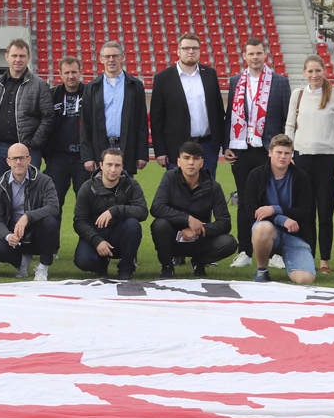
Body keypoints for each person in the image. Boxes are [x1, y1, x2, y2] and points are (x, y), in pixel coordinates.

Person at [223, 37, 292, 268]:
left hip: (269, 151)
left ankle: (275, 252)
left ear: (265, 55)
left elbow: (287, 119)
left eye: (259, 53)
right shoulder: (236, 81)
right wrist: (227, 145)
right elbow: (229, 116)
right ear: (244, 56)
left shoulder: (280, 82)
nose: (255, 57)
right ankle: (245, 251)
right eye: (251, 53)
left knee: (273, 200)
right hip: (242, 150)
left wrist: (286, 152)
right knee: (244, 201)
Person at [288, 54, 334, 273]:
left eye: (318, 70)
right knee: (306, 212)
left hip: (327, 160)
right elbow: (289, 125)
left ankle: (324, 261)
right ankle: (307, 257)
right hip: (302, 158)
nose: (314, 75)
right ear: (304, 73)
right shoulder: (298, 94)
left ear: (324, 71)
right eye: (310, 71)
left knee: (325, 212)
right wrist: (289, 152)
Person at [150, 141, 237, 278]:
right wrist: (188, 220)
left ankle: (199, 262)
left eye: (195, 159)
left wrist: (199, 230)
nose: (191, 162)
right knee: (159, 225)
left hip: (200, 239)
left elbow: (225, 223)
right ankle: (167, 266)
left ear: (201, 163)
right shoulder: (170, 178)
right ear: (179, 162)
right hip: (174, 237)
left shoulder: (213, 186)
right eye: (186, 158)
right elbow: (156, 207)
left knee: (229, 243)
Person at [150, 33, 225, 183]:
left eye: (195, 48)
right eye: (186, 48)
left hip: (207, 147)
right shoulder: (163, 78)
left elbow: (218, 111)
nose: (191, 51)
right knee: (178, 191)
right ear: (178, 51)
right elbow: (157, 118)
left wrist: (219, 144)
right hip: (176, 148)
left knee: (207, 189)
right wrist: (160, 151)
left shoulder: (210, 74)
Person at [0, 38, 55, 184]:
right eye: (14, 55)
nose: (18, 59)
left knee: (29, 191)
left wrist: (32, 143)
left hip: (27, 150)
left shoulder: (40, 85)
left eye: (22, 56)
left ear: (28, 58)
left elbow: (48, 117)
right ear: (7, 57)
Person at [247, 135, 318, 285]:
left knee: (305, 280)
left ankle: (292, 260)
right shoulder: (256, 175)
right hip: (268, 230)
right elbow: (251, 210)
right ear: (270, 152)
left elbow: (306, 212)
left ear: (292, 155)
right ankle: (262, 271)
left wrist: (274, 209)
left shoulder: (301, 177)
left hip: (295, 235)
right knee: (262, 228)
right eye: (279, 152)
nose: (282, 157)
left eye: (287, 153)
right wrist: (281, 219)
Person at [0, 141, 61, 280]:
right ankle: (21, 262)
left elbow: (53, 207)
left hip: (37, 233)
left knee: (50, 222)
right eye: (14, 158)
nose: (18, 162)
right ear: (8, 161)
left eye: (22, 158)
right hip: (15, 234)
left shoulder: (44, 180)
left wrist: (28, 216)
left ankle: (43, 267)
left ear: (29, 159)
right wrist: (8, 236)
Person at [72, 147, 148, 279]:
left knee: (133, 224)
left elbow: (142, 211)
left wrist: (115, 210)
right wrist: (97, 241)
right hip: (96, 233)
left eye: (117, 165)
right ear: (101, 165)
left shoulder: (132, 185)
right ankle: (101, 264)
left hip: (121, 234)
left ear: (122, 167)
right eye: (109, 164)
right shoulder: (88, 187)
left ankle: (126, 269)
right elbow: (79, 221)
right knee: (83, 261)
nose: (113, 169)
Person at [81, 40, 149, 175]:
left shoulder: (135, 86)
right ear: (101, 59)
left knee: (126, 186)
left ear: (122, 57)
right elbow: (85, 124)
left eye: (115, 56)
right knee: (100, 187)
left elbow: (141, 122)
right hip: (100, 148)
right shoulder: (92, 87)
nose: (111, 60)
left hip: (126, 148)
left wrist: (142, 154)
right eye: (107, 56)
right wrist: (87, 156)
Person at [44, 56, 86, 210]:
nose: (71, 76)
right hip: (57, 157)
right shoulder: (52, 95)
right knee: (53, 201)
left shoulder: (90, 93)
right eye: (67, 72)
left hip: (83, 158)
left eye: (74, 72)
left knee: (85, 202)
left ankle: (85, 228)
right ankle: (51, 228)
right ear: (60, 74)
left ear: (80, 72)